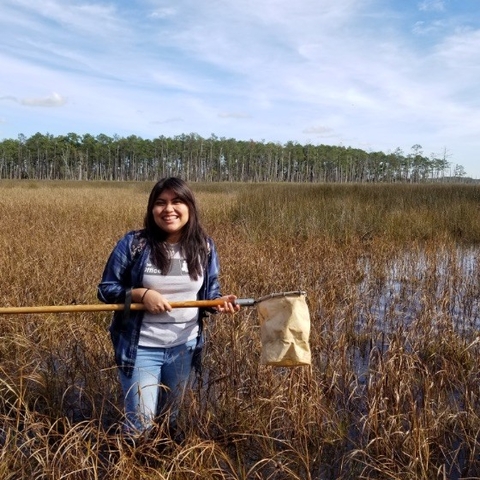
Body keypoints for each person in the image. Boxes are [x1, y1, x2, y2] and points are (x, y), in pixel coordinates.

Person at [97, 177, 239, 436]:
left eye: (177, 202)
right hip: (140, 348)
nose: (169, 209)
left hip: (184, 348)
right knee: (140, 424)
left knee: (172, 420)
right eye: (160, 203)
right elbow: (106, 290)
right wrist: (141, 294)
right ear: (152, 209)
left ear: (190, 207)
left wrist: (219, 303)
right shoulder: (134, 244)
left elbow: (209, 294)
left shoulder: (204, 247)